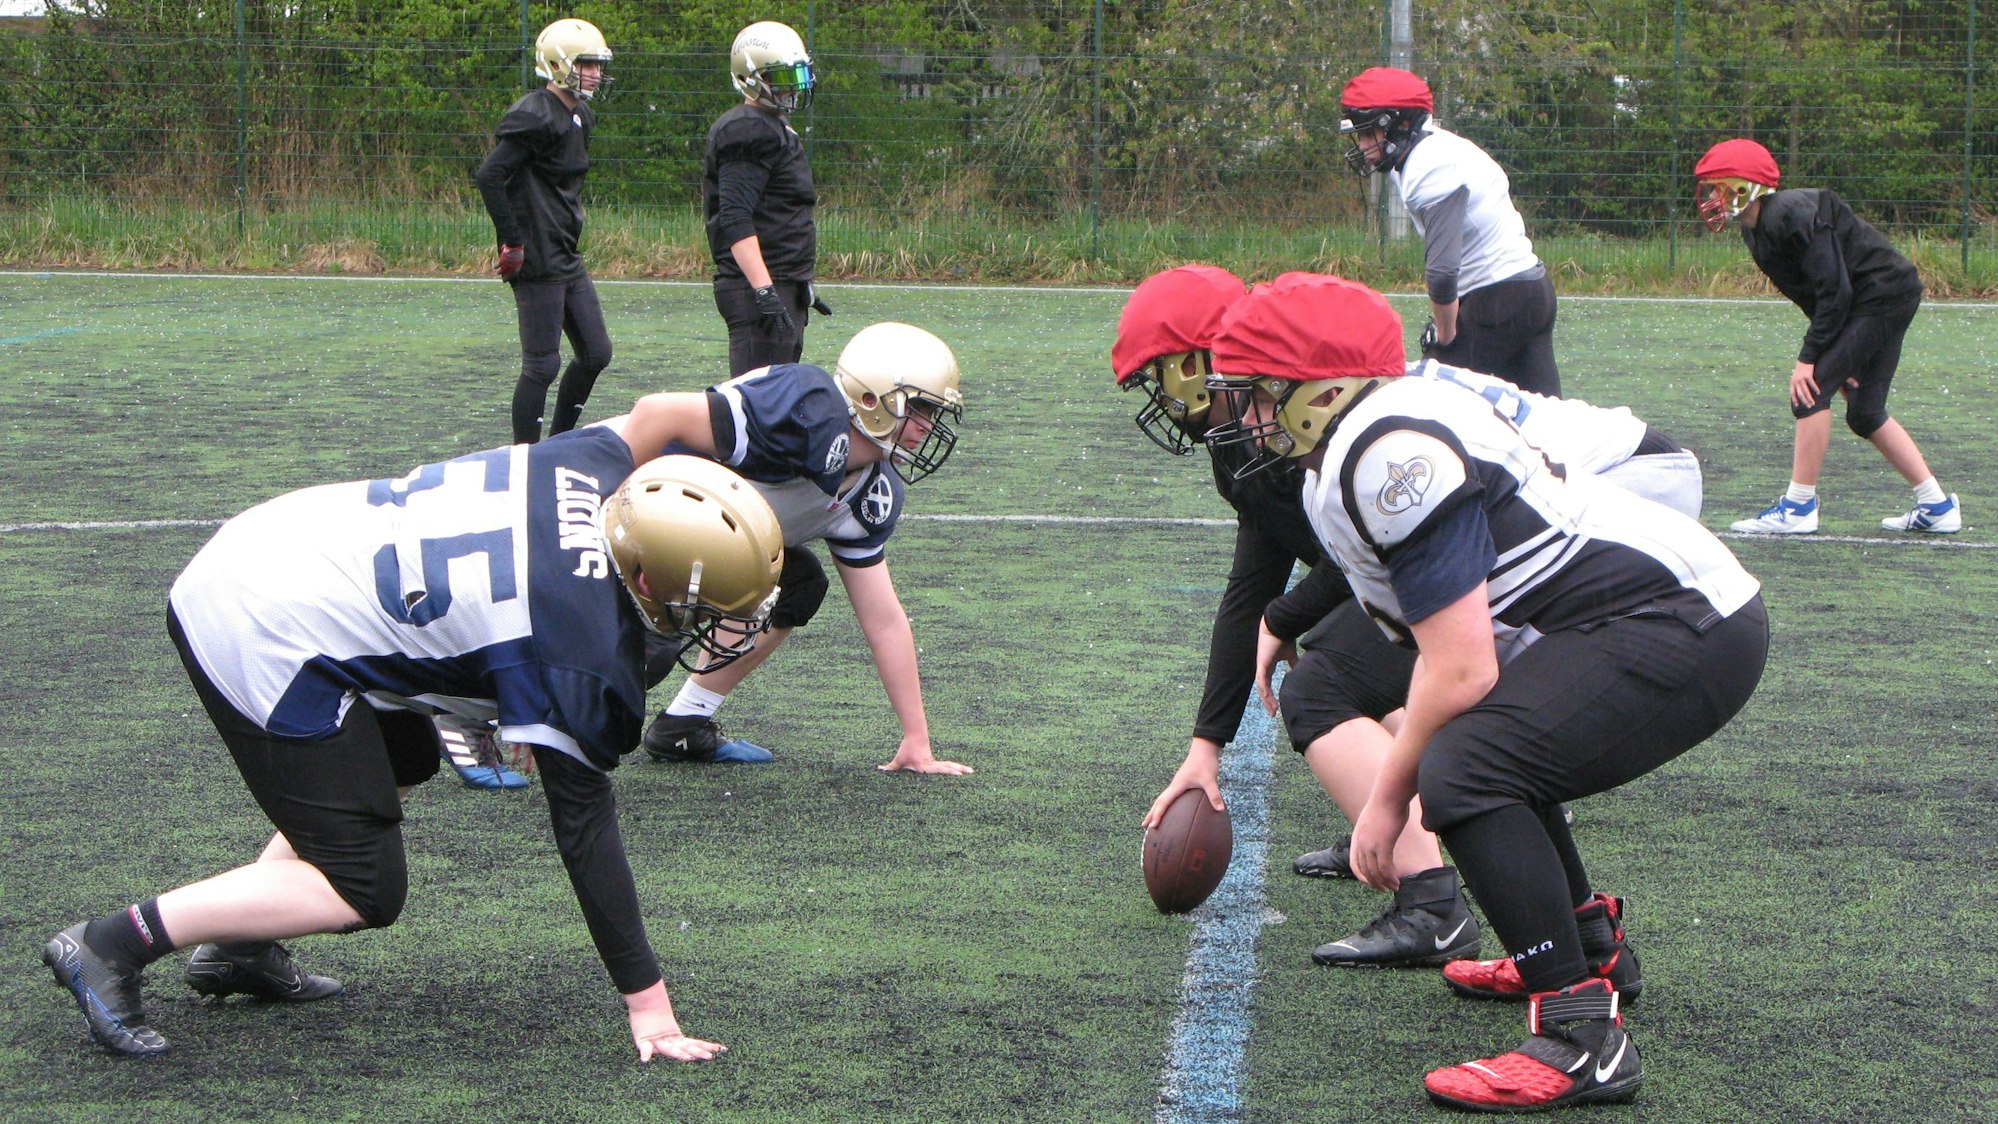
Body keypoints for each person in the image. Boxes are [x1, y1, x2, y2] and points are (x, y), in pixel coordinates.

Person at [41, 410, 790, 1060]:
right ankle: (115, 942)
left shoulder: (595, 460)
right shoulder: (579, 653)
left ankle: (239, 943)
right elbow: (584, 829)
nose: (717, 627)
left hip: (289, 539)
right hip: (260, 619)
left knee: (402, 753)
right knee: (363, 885)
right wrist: (648, 1003)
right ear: (650, 578)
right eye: (710, 607)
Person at [1204, 273, 1767, 1112]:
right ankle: (1589, 952)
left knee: (1463, 768)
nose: (1237, 418)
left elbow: (1462, 669)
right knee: (1488, 747)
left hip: (1676, 618)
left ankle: (1583, 1038)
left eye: (1252, 396)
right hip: (1638, 613)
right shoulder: (1354, 446)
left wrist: (1386, 801)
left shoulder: (1390, 453)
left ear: (1319, 392)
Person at [1121, 267, 1704, 969]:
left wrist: (1386, 797)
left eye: (1164, 374)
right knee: (1407, 677)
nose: (1169, 396)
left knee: (1369, 689)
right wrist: (1206, 745)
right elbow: (1262, 586)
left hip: (1626, 489)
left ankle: (1436, 902)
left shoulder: (1348, 432)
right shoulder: (1283, 428)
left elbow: (1389, 532)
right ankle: (1576, 932)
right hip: (1622, 500)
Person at [639, 322, 973, 776]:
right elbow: (655, 415)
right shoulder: (798, 411)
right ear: (871, 398)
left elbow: (883, 617)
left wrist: (918, 740)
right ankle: (514, 714)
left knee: (798, 585)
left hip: (711, 549)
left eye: (933, 414)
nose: (926, 427)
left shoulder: (871, 492)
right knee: (637, 666)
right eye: (919, 409)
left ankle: (685, 720)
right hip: (643, 525)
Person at [1695, 138, 1961, 535]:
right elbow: (1813, 295)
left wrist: (1812, 358)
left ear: (1741, 186)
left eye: (1717, 186)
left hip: (1881, 295)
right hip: (1877, 297)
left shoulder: (1791, 214)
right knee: (1865, 411)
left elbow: (1835, 291)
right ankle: (1937, 506)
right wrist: (1838, 352)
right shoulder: (1757, 232)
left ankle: (1799, 506)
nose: (1710, 197)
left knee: (1809, 390)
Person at [1338, 67, 1561, 397]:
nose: (1364, 144)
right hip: (1531, 289)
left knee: (1430, 403)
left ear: (1400, 124)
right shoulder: (1437, 147)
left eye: (1370, 133)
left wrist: (1445, 334)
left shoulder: (1430, 167)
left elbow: (1442, 274)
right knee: (1546, 418)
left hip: (1498, 301)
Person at [473, 17, 615, 446]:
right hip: (536, 255)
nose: (594, 72)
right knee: (541, 365)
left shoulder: (579, 115)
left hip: (565, 253)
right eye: (585, 63)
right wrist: (512, 240)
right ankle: (525, 457)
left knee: (595, 353)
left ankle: (558, 442)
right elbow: (490, 176)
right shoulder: (535, 114)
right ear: (558, 64)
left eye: (597, 64)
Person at [705, 21, 829, 376]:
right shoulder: (748, 128)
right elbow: (735, 218)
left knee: (776, 404)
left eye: (795, 74)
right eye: (780, 76)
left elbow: (780, 210)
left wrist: (799, 282)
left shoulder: (771, 124)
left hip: (780, 281)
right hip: (757, 288)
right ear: (751, 77)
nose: (791, 86)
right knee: (756, 406)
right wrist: (764, 291)